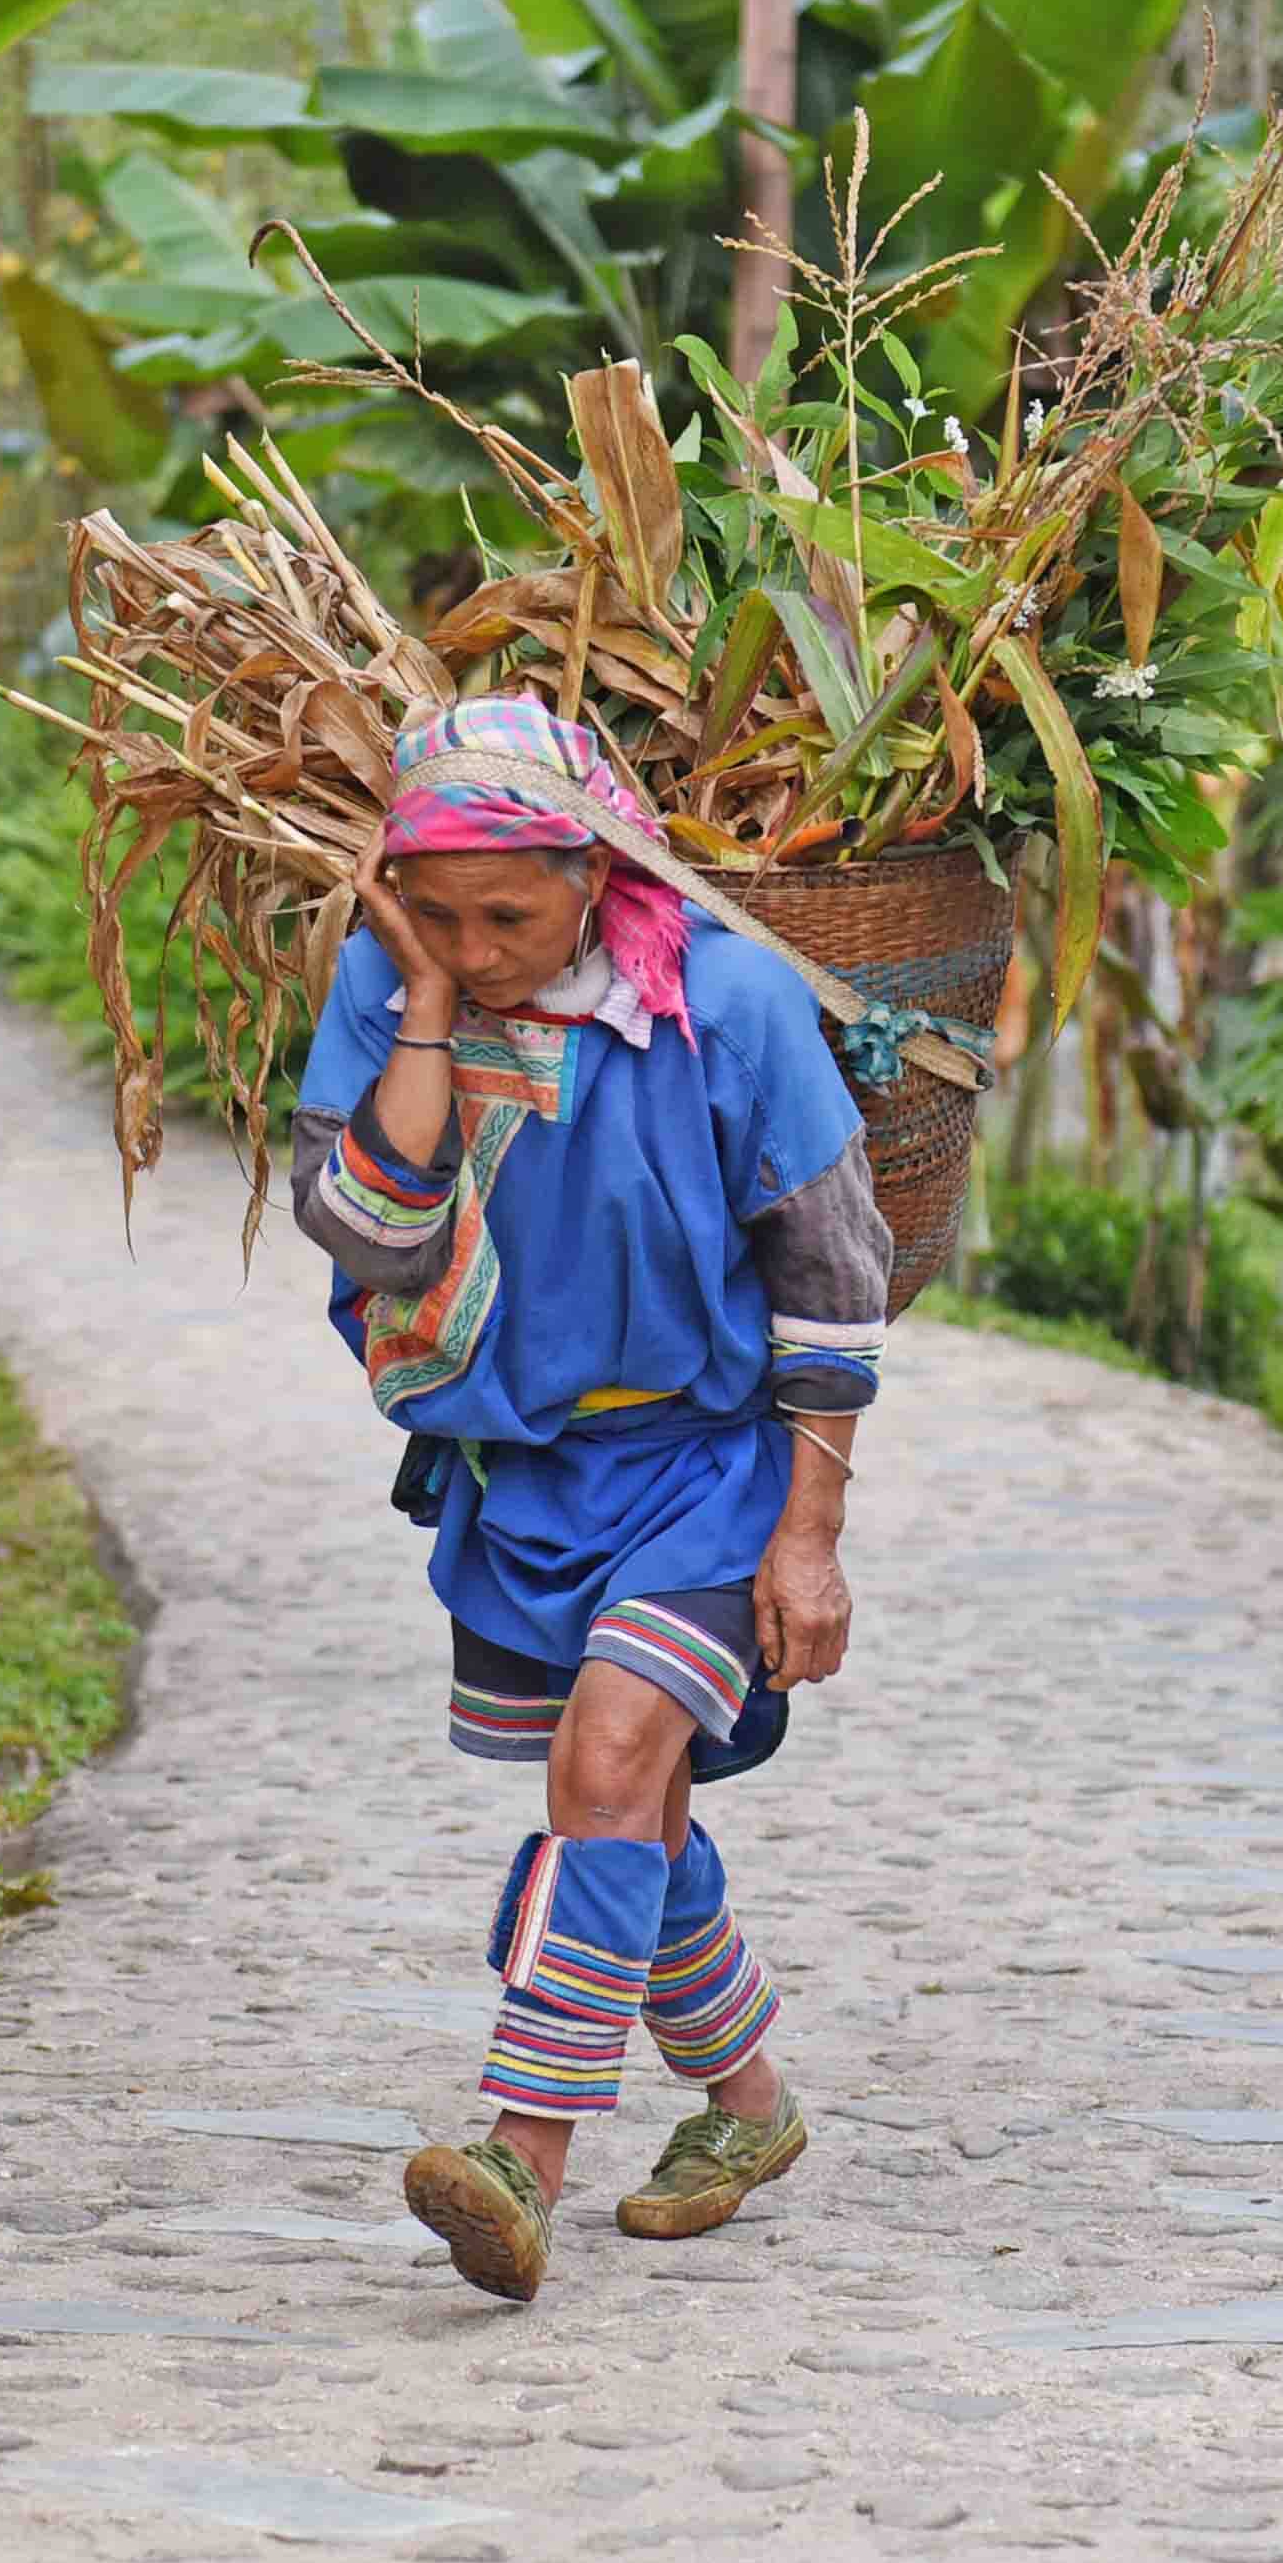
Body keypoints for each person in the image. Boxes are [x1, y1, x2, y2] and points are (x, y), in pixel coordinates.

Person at [286, 696, 890, 2306]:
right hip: (524, 1479)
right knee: (641, 1812)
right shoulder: (388, 993)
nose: (480, 945)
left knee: (607, 1756)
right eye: (441, 914)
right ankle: (750, 2107)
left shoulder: (731, 1002)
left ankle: (518, 2152)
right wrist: (417, 995)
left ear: (595, 866)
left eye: (511, 913)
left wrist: (808, 1537)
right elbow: (369, 1236)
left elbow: (833, 1284)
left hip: (709, 1464)